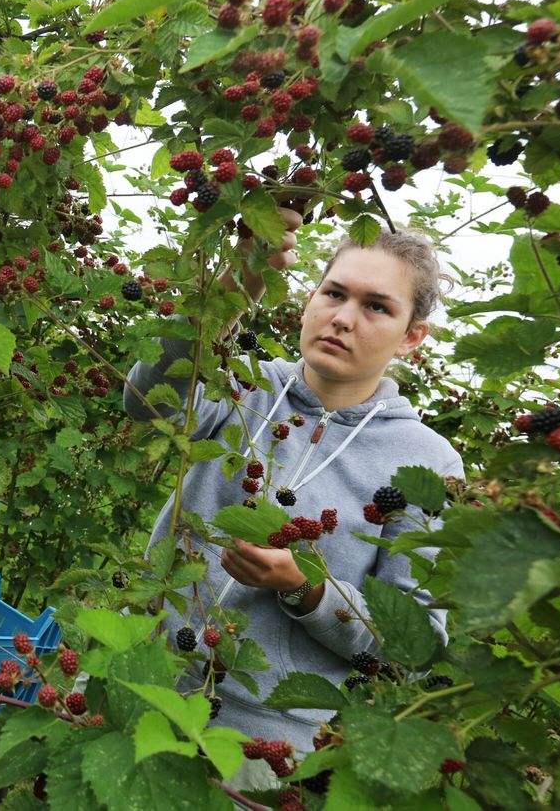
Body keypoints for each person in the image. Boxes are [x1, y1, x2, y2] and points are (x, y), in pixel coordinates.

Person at [124, 216, 464, 785]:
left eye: (377, 307)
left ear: (413, 336)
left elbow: (413, 641)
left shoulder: (426, 463)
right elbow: (145, 399)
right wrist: (238, 281)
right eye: (334, 293)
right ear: (310, 298)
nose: (343, 318)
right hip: (140, 675)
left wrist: (306, 589)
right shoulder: (241, 384)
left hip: (261, 743)